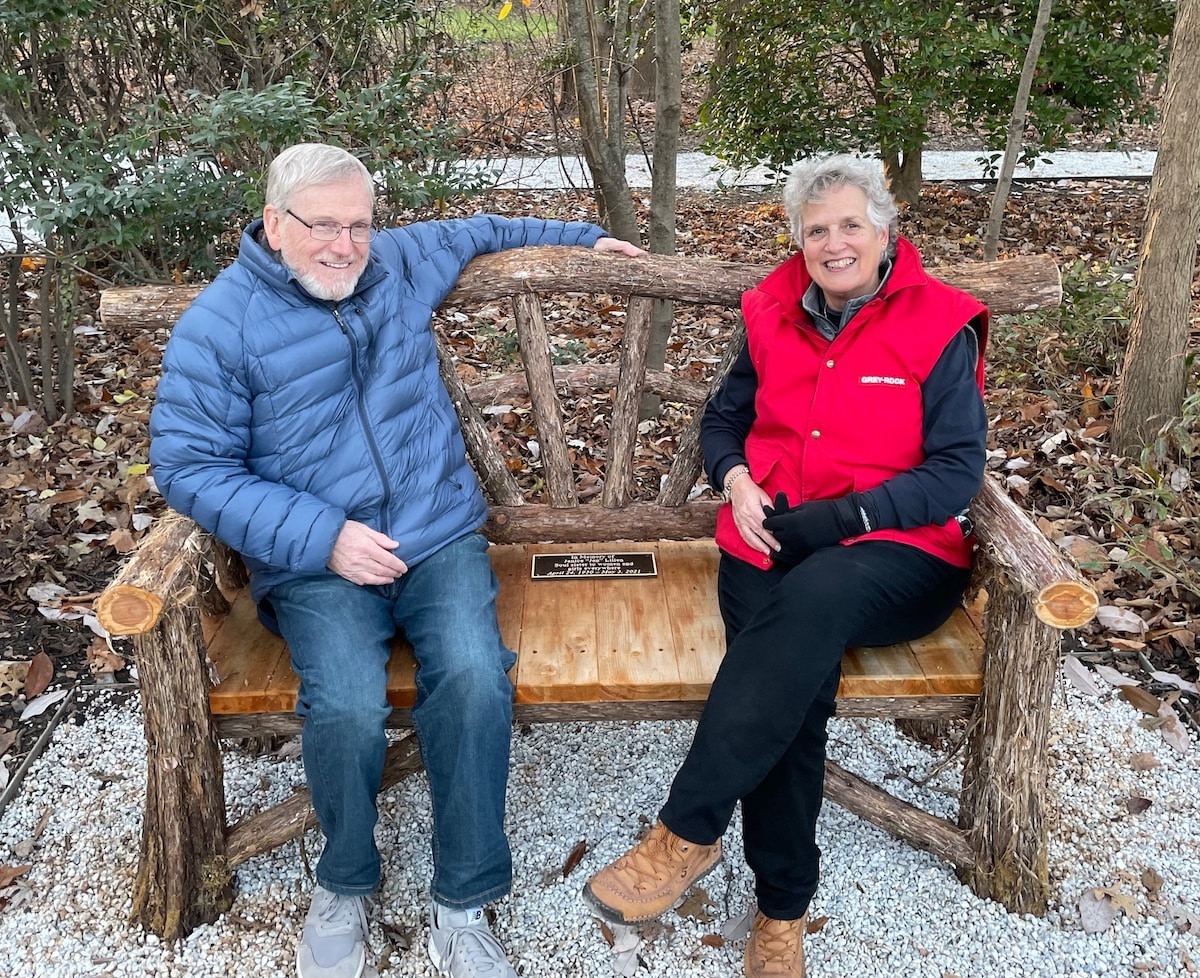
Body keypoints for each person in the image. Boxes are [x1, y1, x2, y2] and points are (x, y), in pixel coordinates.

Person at [148, 142, 645, 978]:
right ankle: (344, 880)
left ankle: (463, 899)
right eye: (323, 227)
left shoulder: (398, 265)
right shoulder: (220, 325)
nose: (345, 247)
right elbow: (188, 467)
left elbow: (484, 227)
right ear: (274, 224)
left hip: (434, 533)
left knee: (475, 673)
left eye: (360, 226)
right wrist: (320, 538)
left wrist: (585, 237)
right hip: (315, 560)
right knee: (342, 701)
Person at [583, 155, 989, 977]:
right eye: (816, 230)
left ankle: (686, 831)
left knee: (812, 605)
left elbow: (955, 472)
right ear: (798, 241)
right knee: (791, 696)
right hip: (764, 539)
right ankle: (781, 916)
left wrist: (840, 520)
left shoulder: (939, 323)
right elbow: (723, 422)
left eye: (849, 225)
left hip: (896, 554)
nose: (834, 243)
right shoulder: (772, 309)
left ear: (884, 229)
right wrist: (734, 482)